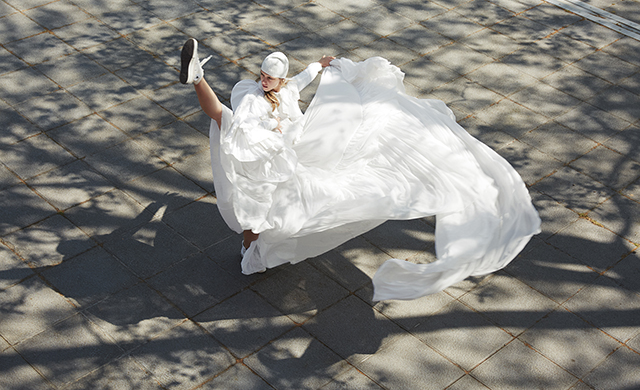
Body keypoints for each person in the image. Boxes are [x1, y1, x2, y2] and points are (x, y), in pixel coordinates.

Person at [180, 38, 541, 301]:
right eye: (262, 76)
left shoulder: (282, 90)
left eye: (269, 78)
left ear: (278, 79)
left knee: (260, 212)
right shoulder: (259, 95)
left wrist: (321, 66)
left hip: (289, 155)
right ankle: (197, 78)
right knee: (233, 139)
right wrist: (288, 106)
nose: (263, 81)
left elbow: (302, 78)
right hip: (279, 153)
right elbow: (283, 91)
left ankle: (198, 78)